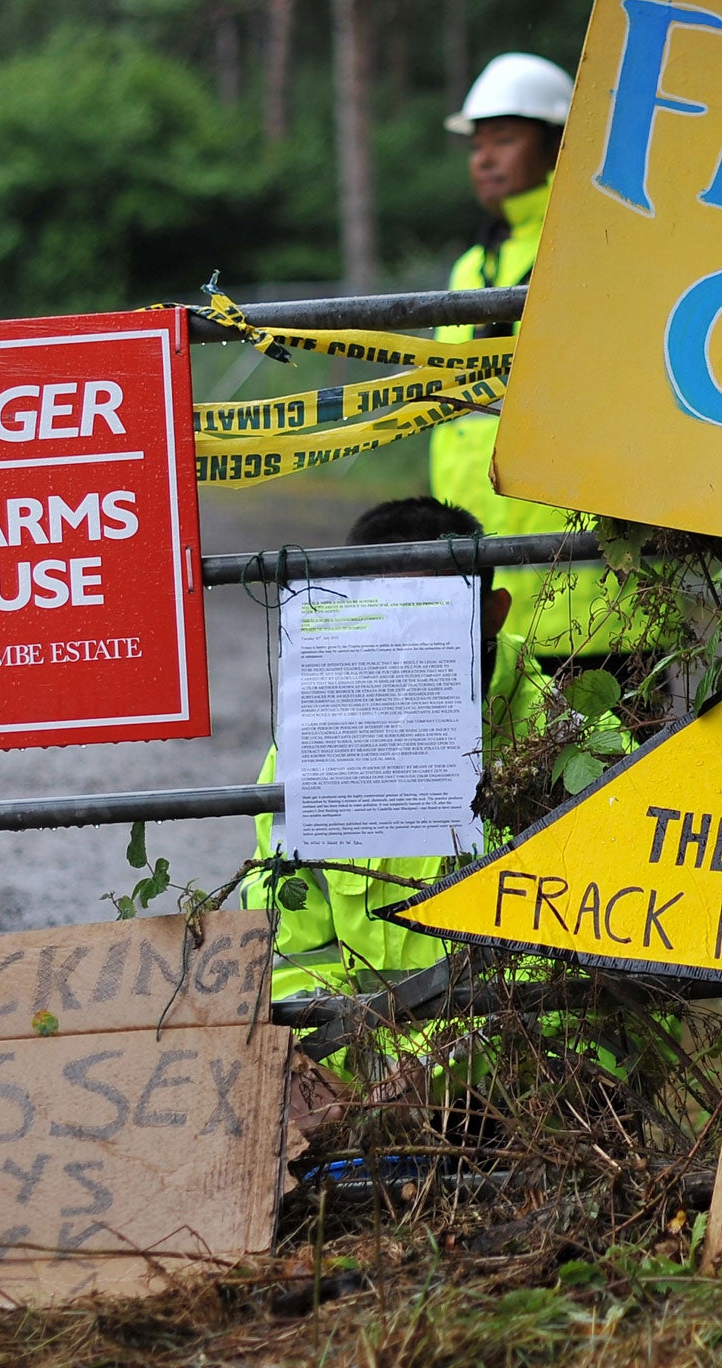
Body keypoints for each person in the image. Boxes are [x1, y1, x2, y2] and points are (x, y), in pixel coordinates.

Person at [236, 497, 550, 1002]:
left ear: (493, 614)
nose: (404, 644)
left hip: (520, 1067)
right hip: (357, 1067)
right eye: (382, 616)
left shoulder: (566, 741)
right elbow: (293, 957)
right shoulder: (309, 747)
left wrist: (441, 1070)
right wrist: (344, 1070)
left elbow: (589, 969)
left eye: (428, 618)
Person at [432, 54, 646, 671]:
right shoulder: (469, 268)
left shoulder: (597, 246)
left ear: (558, 145)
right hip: (493, 589)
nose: (485, 158)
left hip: (591, 596)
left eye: (504, 139)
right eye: (477, 145)